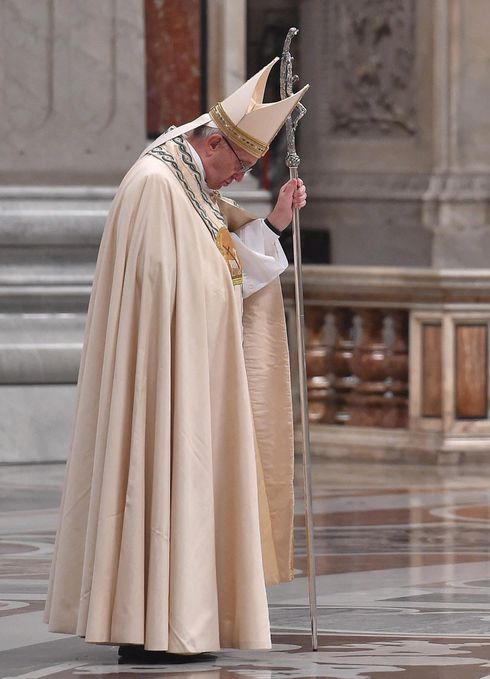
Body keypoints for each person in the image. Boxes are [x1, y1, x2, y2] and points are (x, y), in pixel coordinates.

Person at [43, 60, 309, 661]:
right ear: (212, 142)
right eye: (238, 166)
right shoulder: (155, 184)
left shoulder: (190, 185)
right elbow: (171, 283)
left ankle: (175, 620)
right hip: (161, 371)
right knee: (154, 476)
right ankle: (148, 623)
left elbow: (218, 265)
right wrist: (220, 283)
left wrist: (274, 225)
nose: (236, 179)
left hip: (188, 366)